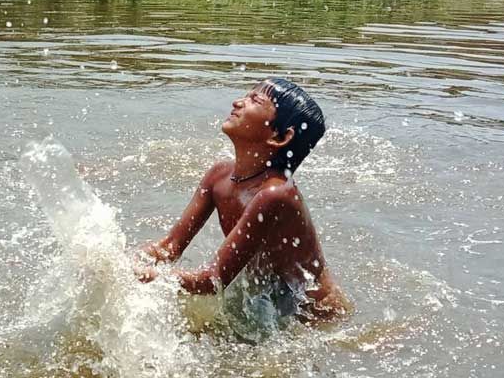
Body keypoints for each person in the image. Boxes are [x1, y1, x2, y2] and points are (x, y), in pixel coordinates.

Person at [137, 78, 352, 323]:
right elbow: (169, 247)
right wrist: (124, 261)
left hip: (313, 314)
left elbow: (213, 280)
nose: (237, 102)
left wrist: (152, 276)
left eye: (255, 100)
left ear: (279, 137)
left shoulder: (276, 194)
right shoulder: (218, 176)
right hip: (268, 298)